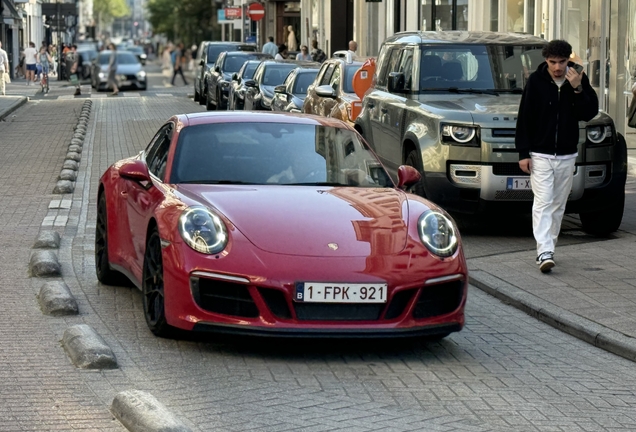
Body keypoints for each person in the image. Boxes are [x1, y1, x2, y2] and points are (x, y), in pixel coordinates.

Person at [515, 39, 599, 273]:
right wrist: (523, 152)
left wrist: (578, 88)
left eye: (562, 62)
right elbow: (525, 118)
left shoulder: (578, 79)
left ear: (568, 59)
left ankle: (548, 248)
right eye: (553, 62)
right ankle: (544, 250)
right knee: (543, 201)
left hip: (567, 154)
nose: (557, 67)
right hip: (540, 153)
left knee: (558, 204)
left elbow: (588, 113)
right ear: (546, 61)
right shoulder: (536, 81)